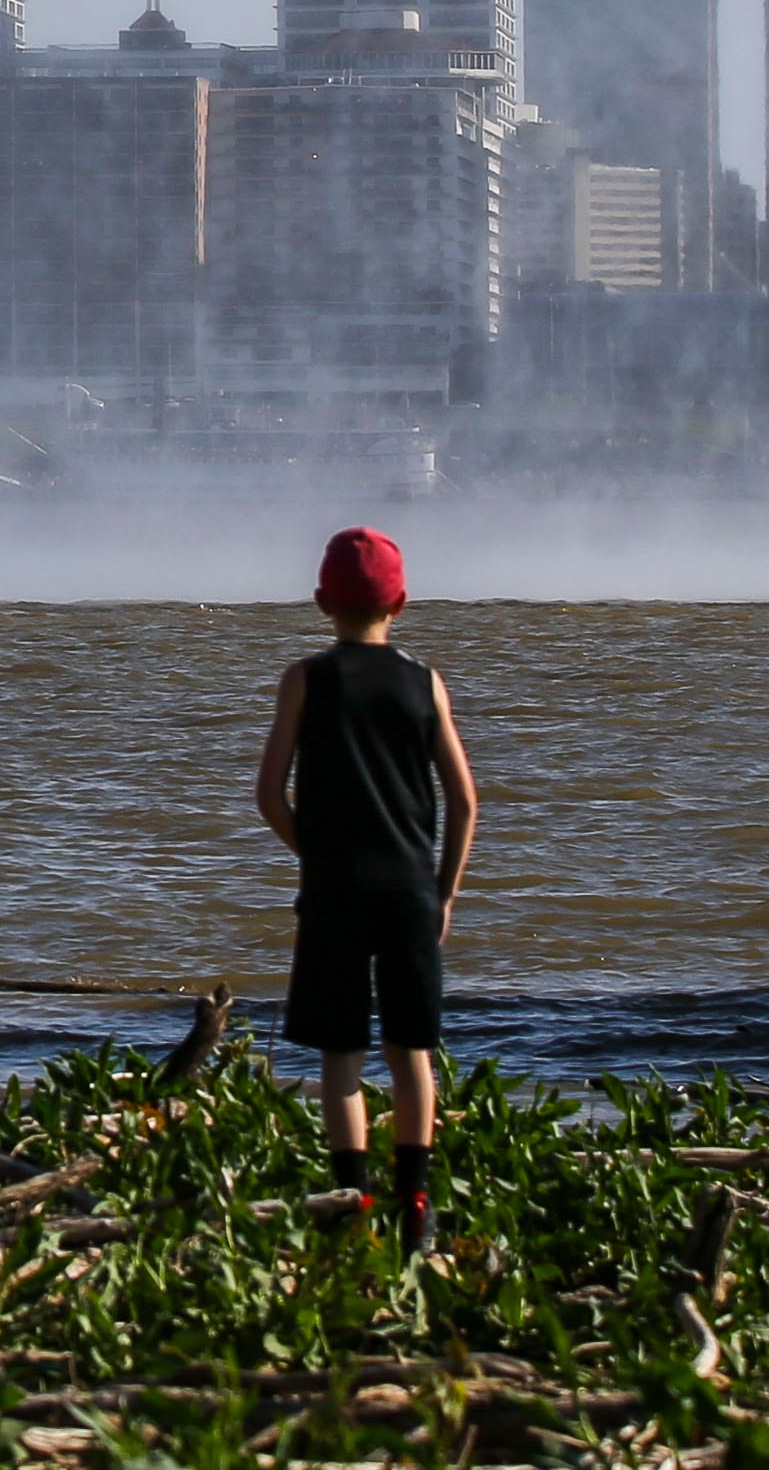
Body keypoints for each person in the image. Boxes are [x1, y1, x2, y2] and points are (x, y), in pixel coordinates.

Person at [252, 524, 479, 1256]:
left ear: (321, 600)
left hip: (334, 893)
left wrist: (315, 856)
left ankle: (350, 1207)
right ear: (402, 602)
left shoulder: (305, 678)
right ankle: (416, 1207)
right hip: (410, 891)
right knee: (412, 1052)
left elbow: (268, 794)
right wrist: (442, 890)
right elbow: (465, 799)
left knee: (340, 1057)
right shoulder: (426, 681)